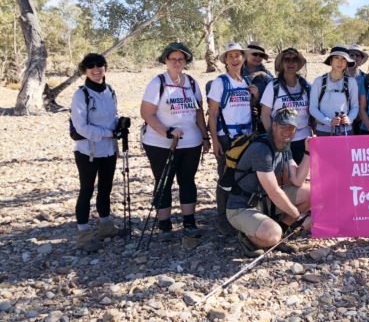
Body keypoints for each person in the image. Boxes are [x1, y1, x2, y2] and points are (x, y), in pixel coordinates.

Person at [140, 43, 209, 240]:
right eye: (173, 59)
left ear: (186, 61)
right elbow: (147, 113)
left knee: (188, 181)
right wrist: (167, 132)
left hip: (191, 142)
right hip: (161, 143)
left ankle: (189, 223)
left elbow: (198, 112)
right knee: (164, 182)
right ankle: (164, 225)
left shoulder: (192, 83)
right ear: (166, 61)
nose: (177, 63)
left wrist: (204, 137)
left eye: (181, 59)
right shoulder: (157, 83)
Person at [226, 107, 312, 257]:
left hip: (263, 202)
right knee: (272, 235)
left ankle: (281, 231)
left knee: (310, 192)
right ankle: (248, 237)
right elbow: (274, 191)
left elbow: (297, 180)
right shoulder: (262, 149)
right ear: (274, 125)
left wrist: (308, 152)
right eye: (283, 126)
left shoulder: (285, 146)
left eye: (291, 127)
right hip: (241, 207)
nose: (287, 131)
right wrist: (299, 216)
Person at [71, 53, 129, 252]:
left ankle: (106, 227)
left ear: (105, 67)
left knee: (105, 189)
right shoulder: (81, 94)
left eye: (100, 65)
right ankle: (84, 235)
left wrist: (120, 125)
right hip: (87, 151)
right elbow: (81, 127)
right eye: (91, 66)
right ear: (85, 70)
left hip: (109, 150)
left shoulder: (110, 90)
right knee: (86, 190)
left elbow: (111, 116)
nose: (96, 69)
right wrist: (109, 133)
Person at [208, 42, 259, 234]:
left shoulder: (245, 82)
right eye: (231, 56)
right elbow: (212, 113)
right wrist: (214, 140)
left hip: (246, 137)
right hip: (226, 138)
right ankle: (223, 218)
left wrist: (255, 96)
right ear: (226, 61)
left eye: (238, 55)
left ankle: (239, 215)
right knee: (225, 178)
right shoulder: (220, 82)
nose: (235, 59)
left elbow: (247, 110)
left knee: (243, 177)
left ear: (243, 58)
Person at [260, 47, 311, 163]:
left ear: (298, 64)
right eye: (287, 59)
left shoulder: (306, 86)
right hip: (281, 140)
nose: (291, 63)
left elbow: (311, 112)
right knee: (283, 177)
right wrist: (273, 137)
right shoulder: (273, 87)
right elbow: (265, 114)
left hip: (304, 139)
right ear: (282, 64)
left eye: (294, 59)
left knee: (300, 176)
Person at [309, 45, 359, 136]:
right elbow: (312, 107)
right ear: (331, 61)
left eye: (343, 59)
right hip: (323, 130)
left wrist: (349, 119)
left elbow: (355, 106)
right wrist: (328, 121)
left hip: (345, 130)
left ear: (347, 62)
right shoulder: (319, 81)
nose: (340, 62)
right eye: (336, 58)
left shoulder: (352, 82)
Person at [242, 42, 274, 132]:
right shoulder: (238, 72)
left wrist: (262, 74)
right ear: (246, 55)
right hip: (241, 118)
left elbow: (277, 86)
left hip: (263, 119)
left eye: (261, 55)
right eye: (255, 54)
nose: (258, 58)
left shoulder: (266, 73)